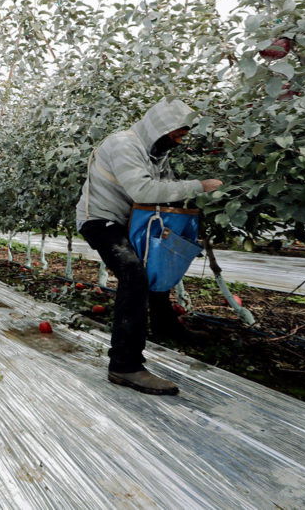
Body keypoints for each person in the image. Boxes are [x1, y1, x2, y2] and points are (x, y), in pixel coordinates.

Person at [75, 98, 222, 396]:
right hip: (101, 220)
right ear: (161, 128)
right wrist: (199, 186)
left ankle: (166, 326)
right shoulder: (124, 145)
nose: (181, 139)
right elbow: (143, 190)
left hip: (132, 220)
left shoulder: (155, 153)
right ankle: (124, 365)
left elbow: (163, 190)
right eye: (178, 133)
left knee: (155, 264)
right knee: (134, 273)